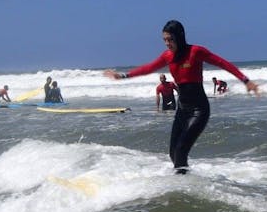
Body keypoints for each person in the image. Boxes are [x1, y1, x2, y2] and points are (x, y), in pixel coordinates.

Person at [104, 20, 259, 174]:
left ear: (179, 36)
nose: (167, 43)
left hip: (199, 110)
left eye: (170, 39)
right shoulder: (168, 56)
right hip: (182, 110)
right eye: (164, 39)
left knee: (180, 152)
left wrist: (245, 80)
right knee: (173, 154)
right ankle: (187, 183)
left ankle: (183, 187)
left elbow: (223, 63)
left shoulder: (196, 51)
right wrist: (123, 76)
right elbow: (148, 68)